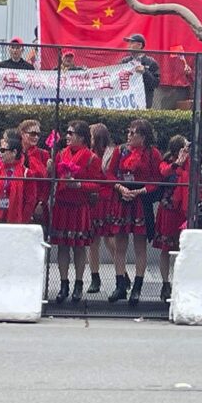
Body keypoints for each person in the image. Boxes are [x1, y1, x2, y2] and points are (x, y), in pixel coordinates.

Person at [110, 119, 162, 305]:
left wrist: (141, 191)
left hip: (141, 200)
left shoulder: (153, 153)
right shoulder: (120, 150)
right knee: (120, 244)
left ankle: (138, 287)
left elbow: (157, 179)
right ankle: (120, 285)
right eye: (129, 132)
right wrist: (120, 188)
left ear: (144, 136)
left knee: (140, 246)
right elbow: (109, 173)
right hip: (122, 198)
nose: (129, 136)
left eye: (134, 133)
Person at [50, 121, 101, 303]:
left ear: (82, 137)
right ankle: (64, 284)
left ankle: (79, 284)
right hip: (62, 205)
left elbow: (98, 184)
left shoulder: (91, 158)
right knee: (62, 247)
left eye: (71, 133)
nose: (68, 137)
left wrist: (79, 184)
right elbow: (54, 177)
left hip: (80, 206)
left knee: (79, 247)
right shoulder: (60, 154)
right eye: (67, 133)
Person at [155, 135, 190, 301]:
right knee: (165, 248)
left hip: (182, 210)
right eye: (184, 147)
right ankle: (165, 282)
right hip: (168, 209)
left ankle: (180, 281)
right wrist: (178, 164)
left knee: (181, 246)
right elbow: (164, 172)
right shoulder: (167, 161)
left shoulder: (191, 161)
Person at [88, 123, 120, 295]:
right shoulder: (89, 152)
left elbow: (109, 173)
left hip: (107, 198)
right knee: (92, 241)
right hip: (93, 198)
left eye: (91, 135)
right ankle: (95, 277)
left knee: (110, 239)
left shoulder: (112, 152)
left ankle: (120, 273)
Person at [0, 134, 37, 224]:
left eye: (3, 150)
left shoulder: (26, 173)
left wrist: (23, 222)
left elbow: (30, 201)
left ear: (14, 152)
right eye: (0, 150)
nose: (0, 153)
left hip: (16, 219)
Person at [119, 33, 160, 108]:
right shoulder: (124, 61)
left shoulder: (151, 62)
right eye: (128, 43)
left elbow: (155, 84)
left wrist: (145, 72)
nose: (128, 45)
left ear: (139, 45)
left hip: (144, 102)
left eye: (131, 43)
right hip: (126, 103)